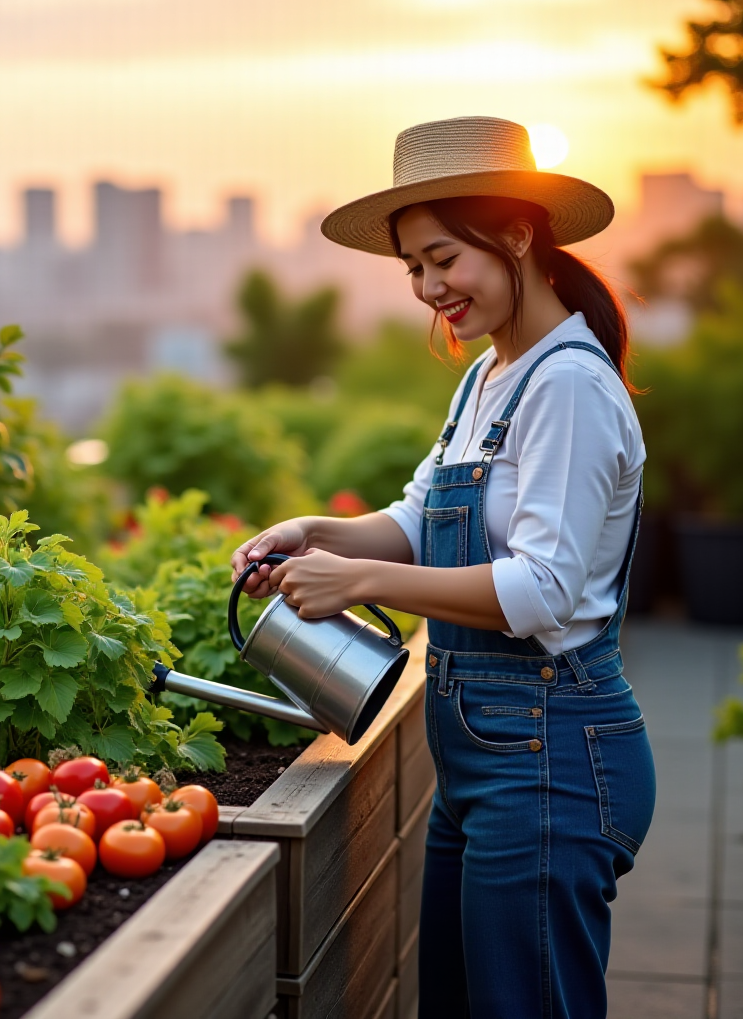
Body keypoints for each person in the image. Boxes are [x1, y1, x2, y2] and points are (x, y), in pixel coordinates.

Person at [232, 117, 655, 1019]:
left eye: (442, 259)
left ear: (515, 235)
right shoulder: (488, 380)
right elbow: (421, 520)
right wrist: (315, 533)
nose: (429, 289)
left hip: (550, 753)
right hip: (482, 759)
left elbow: (541, 591)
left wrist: (359, 585)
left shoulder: (569, 386)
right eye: (414, 269)